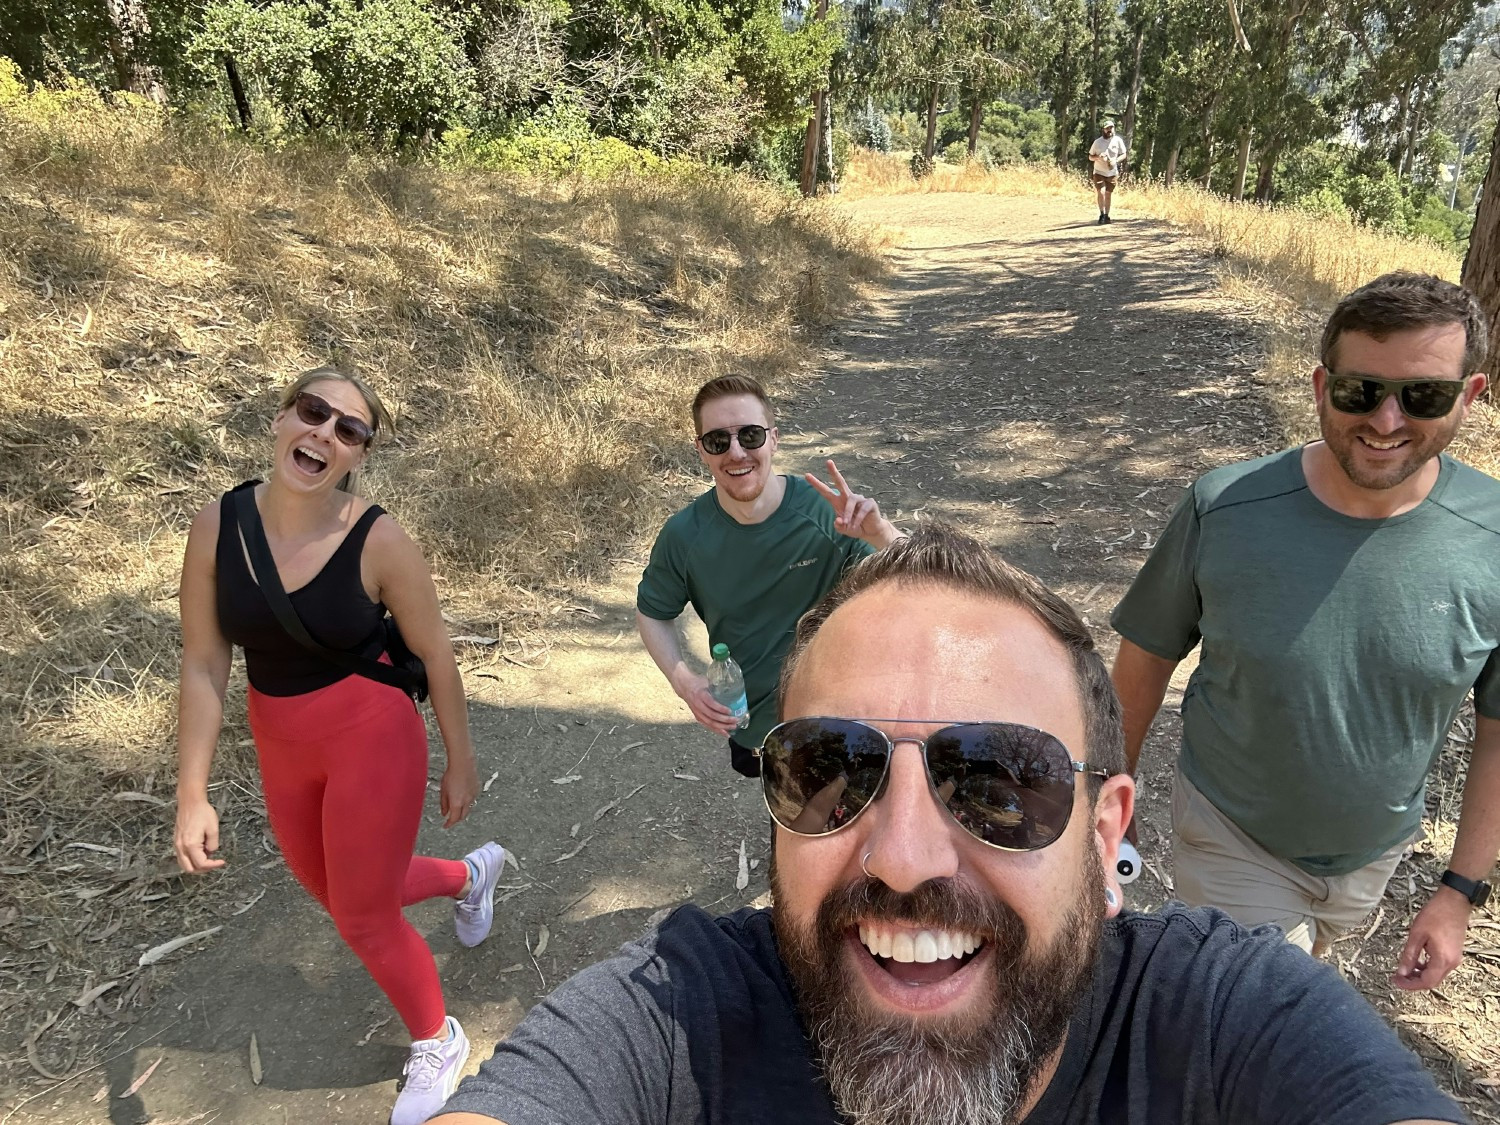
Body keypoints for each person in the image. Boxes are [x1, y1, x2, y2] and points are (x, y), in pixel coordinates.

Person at [432, 525, 1463, 1125]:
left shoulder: (1220, 1025)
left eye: (1002, 782)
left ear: (1107, 838)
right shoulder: (676, 1025)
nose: (905, 857)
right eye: (831, 770)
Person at [1110, 271, 1500, 989]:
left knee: (1302, 976)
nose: (1386, 422)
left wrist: (1458, 891)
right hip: (1232, 834)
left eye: (1423, 396)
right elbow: (1141, 664)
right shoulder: (1225, 507)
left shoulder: (1494, 539)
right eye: (1360, 392)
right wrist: (1108, 796)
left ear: (1469, 398)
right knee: (1263, 1021)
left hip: (1372, 852)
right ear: (1322, 386)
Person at [173, 367, 510, 1125]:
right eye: (314, 411)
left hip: (372, 737)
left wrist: (461, 759)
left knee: (360, 915)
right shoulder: (216, 525)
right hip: (280, 740)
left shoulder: (378, 538)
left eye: (348, 429)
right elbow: (203, 661)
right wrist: (191, 791)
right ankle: (468, 875)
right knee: (341, 892)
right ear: (281, 418)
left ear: (357, 455)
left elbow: (438, 655)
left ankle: (439, 1037)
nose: (324, 432)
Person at [635, 374, 902, 777]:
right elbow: (653, 612)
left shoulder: (825, 513)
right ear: (702, 452)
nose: (737, 452)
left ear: (773, 439)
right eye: (718, 441)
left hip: (849, 720)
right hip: (758, 731)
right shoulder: (685, 536)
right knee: (793, 829)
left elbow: (922, 582)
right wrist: (686, 684)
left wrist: (882, 536)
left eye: (751, 435)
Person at [1087, 120, 1126, 224]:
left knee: (1108, 193)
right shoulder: (1097, 142)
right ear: (1103, 129)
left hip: (1112, 172)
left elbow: (1124, 154)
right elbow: (1090, 156)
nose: (1109, 130)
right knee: (1101, 192)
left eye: (1111, 128)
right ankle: (1101, 214)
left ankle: (1107, 215)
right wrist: (1098, 157)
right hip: (1099, 171)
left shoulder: (1118, 140)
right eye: (1107, 128)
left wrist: (1115, 161)